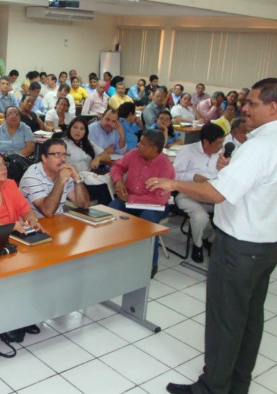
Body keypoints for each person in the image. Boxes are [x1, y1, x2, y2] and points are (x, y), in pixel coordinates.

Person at [147, 78, 277, 394]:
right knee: (249, 316)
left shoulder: (259, 147)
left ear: (274, 107)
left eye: (253, 103)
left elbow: (217, 193)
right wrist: (227, 169)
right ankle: (238, 382)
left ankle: (213, 387)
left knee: (226, 318)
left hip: (240, 246)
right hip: (267, 243)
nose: (244, 108)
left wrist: (174, 184)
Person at [109, 130, 175, 278]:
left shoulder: (165, 167)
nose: (138, 144)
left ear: (154, 149)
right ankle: (108, 256)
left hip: (154, 206)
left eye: (143, 144)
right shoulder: (133, 154)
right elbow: (116, 167)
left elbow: (160, 199)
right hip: (129, 200)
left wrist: (130, 199)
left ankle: (150, 264)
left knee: (148, 221)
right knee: (109, 212)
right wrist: (118, 181)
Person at [173, 123, 225, 264]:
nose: (221, 146)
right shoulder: (188, 151)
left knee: (230, 211)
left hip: (212, 194)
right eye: (218, 143)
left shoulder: (219, 154)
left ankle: (211, 238)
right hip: (188, 194)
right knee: (201, 216)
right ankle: (198, 245)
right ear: (206, 142)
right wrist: (193, 177)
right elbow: (173, 176)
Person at [19, 138, 89, 218]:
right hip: (36, 225)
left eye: (64, 155)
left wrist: (77, 179)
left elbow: (84, 205)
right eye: (57, 155)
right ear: (44, 158)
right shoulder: (32, 177)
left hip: (58, 222)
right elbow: (48, 211)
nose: (63, 159)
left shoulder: (63, 172)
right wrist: (61, 180)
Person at [63, 118, 113, 205]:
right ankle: (103, 213)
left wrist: (98, 158)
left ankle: (105, 212)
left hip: (88, 177)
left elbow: (107, 157)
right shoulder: (63, 143)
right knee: (104, 188)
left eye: (82, 129)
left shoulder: (86, 143)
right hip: (73, 180)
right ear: (69, 128)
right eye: (75, 127)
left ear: (85, 132)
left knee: (110, 184)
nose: (78, 131)